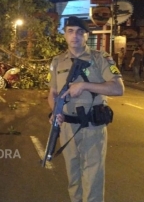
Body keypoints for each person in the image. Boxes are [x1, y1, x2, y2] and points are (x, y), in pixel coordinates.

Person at [47, 16, 124, 202]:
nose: (75, 36)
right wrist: (55, 111)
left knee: (92, 178)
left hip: (92, 128)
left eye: (80, 32)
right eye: (71, 31)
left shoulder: (100, 58)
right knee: (73, 178)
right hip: (67, 127)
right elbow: (53, 93)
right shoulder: (57, 61)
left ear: (87, 35)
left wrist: (85, 86)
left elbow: (118, 88)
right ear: (64, 35)